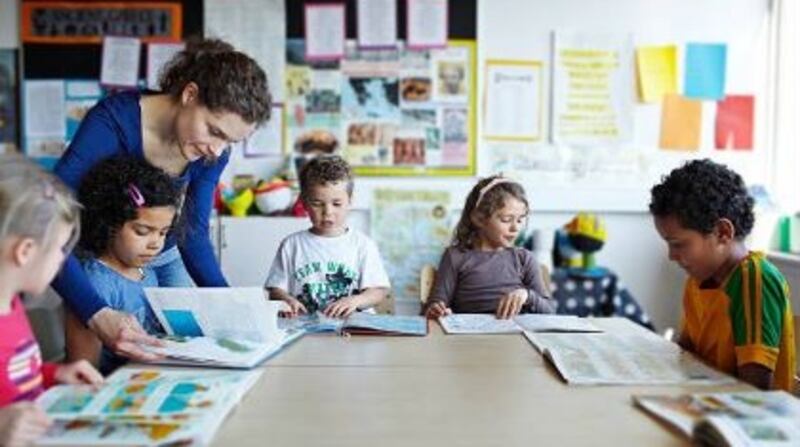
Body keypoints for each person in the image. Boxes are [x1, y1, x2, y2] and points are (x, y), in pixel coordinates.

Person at [51, 38, 272, 361]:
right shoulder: (112, 121)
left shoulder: (213, 152)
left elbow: (193, 232)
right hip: (104, 255)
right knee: (104, 354)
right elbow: (48, 220)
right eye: (214, 131)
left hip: (166, 257)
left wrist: (232, 308)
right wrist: (95, 312)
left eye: (230, 141)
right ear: (190, 94)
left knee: (184, 352)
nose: (217, 150)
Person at [650, 159, 796, 391]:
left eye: (678, 244)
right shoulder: (698, 281)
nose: (672, 256)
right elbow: (686, 354)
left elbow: (754, 389)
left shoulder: (754, 280)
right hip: (703, 399)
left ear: (722, 232)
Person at [0, 155, 103, 446]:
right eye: (60, 249)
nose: (62, 260)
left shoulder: (12, 305)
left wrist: (53, 375)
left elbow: (17, 377)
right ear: (26, 251)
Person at [65, 157, 181, 374]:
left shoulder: (147, 270)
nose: (155, 243)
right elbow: (83, 369)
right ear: (110, 224)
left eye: (163, 232)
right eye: (142, 231)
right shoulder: (95, 283)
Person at [265, 156, 390, 318]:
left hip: (352, 331)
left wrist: (355, 301)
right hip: (305, 330)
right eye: (317, 203)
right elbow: (274, 289)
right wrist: (287, 300)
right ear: (304, 203)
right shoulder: (292, 245)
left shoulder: (363, 245)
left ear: (350, 201)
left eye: (336, 204)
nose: (327, 212)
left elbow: (378, 291)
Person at [424, 175, 556, 320]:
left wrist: (527, 295)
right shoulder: (455, 256)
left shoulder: (524, 259)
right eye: (506, 219)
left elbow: (550, 312)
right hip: (469, 338)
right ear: (479, 218)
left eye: (520, 220)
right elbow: (434, 306)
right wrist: (437, 310)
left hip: (515, 338)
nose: (515, 228)